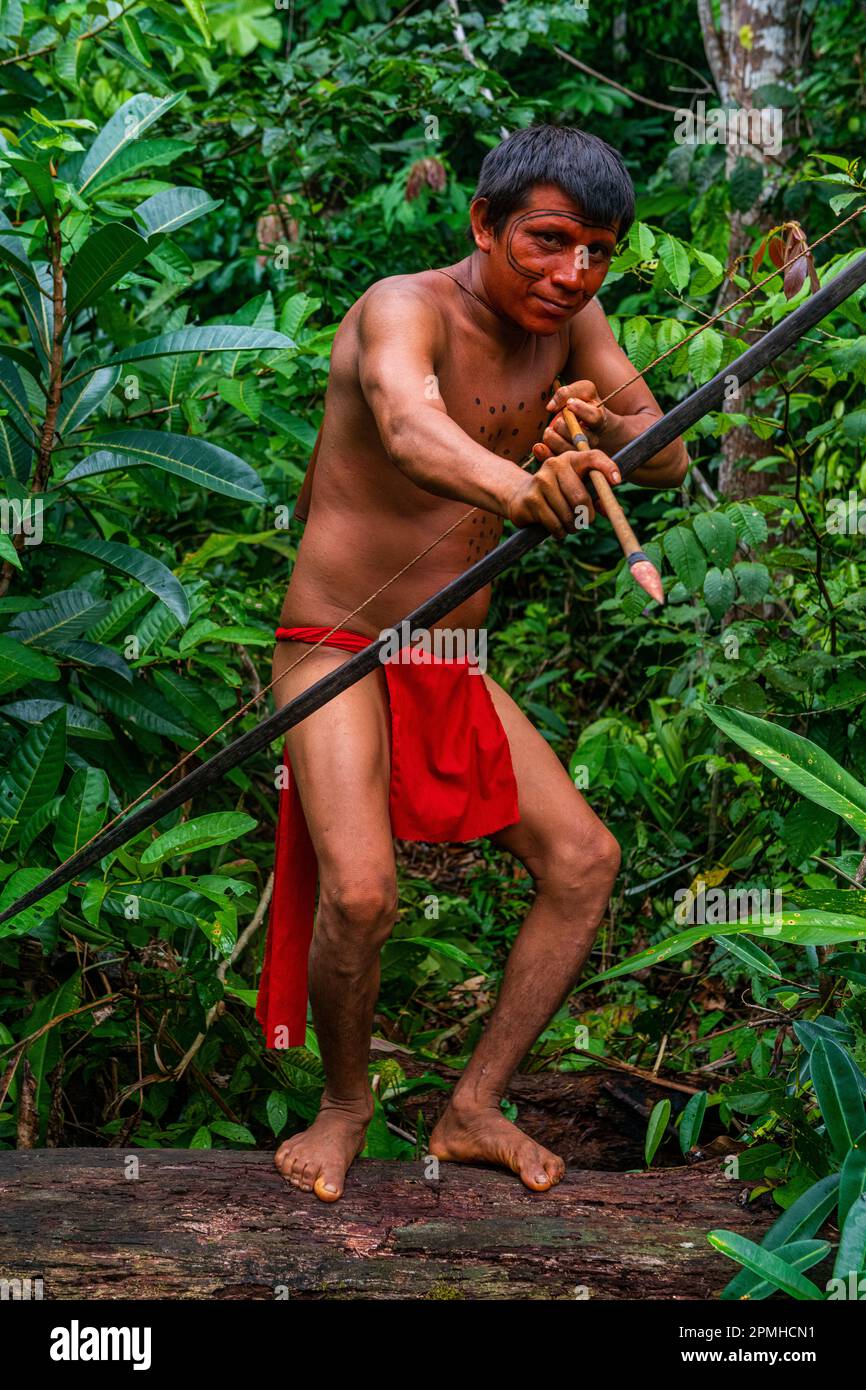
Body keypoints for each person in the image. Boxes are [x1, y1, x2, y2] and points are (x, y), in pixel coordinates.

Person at [260, 124, 689, 1202]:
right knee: (360, 897)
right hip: (337, 643)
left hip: (449, 654)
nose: (571, 273)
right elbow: (409, 425)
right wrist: (516, 487)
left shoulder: (572, 317)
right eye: (548, 242)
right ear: (482, 224)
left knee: (584, 861)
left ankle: (470, 1104)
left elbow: (665, 446)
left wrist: (594, 420)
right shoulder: (400, 307)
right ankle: (345, 1103)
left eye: (596, 250)